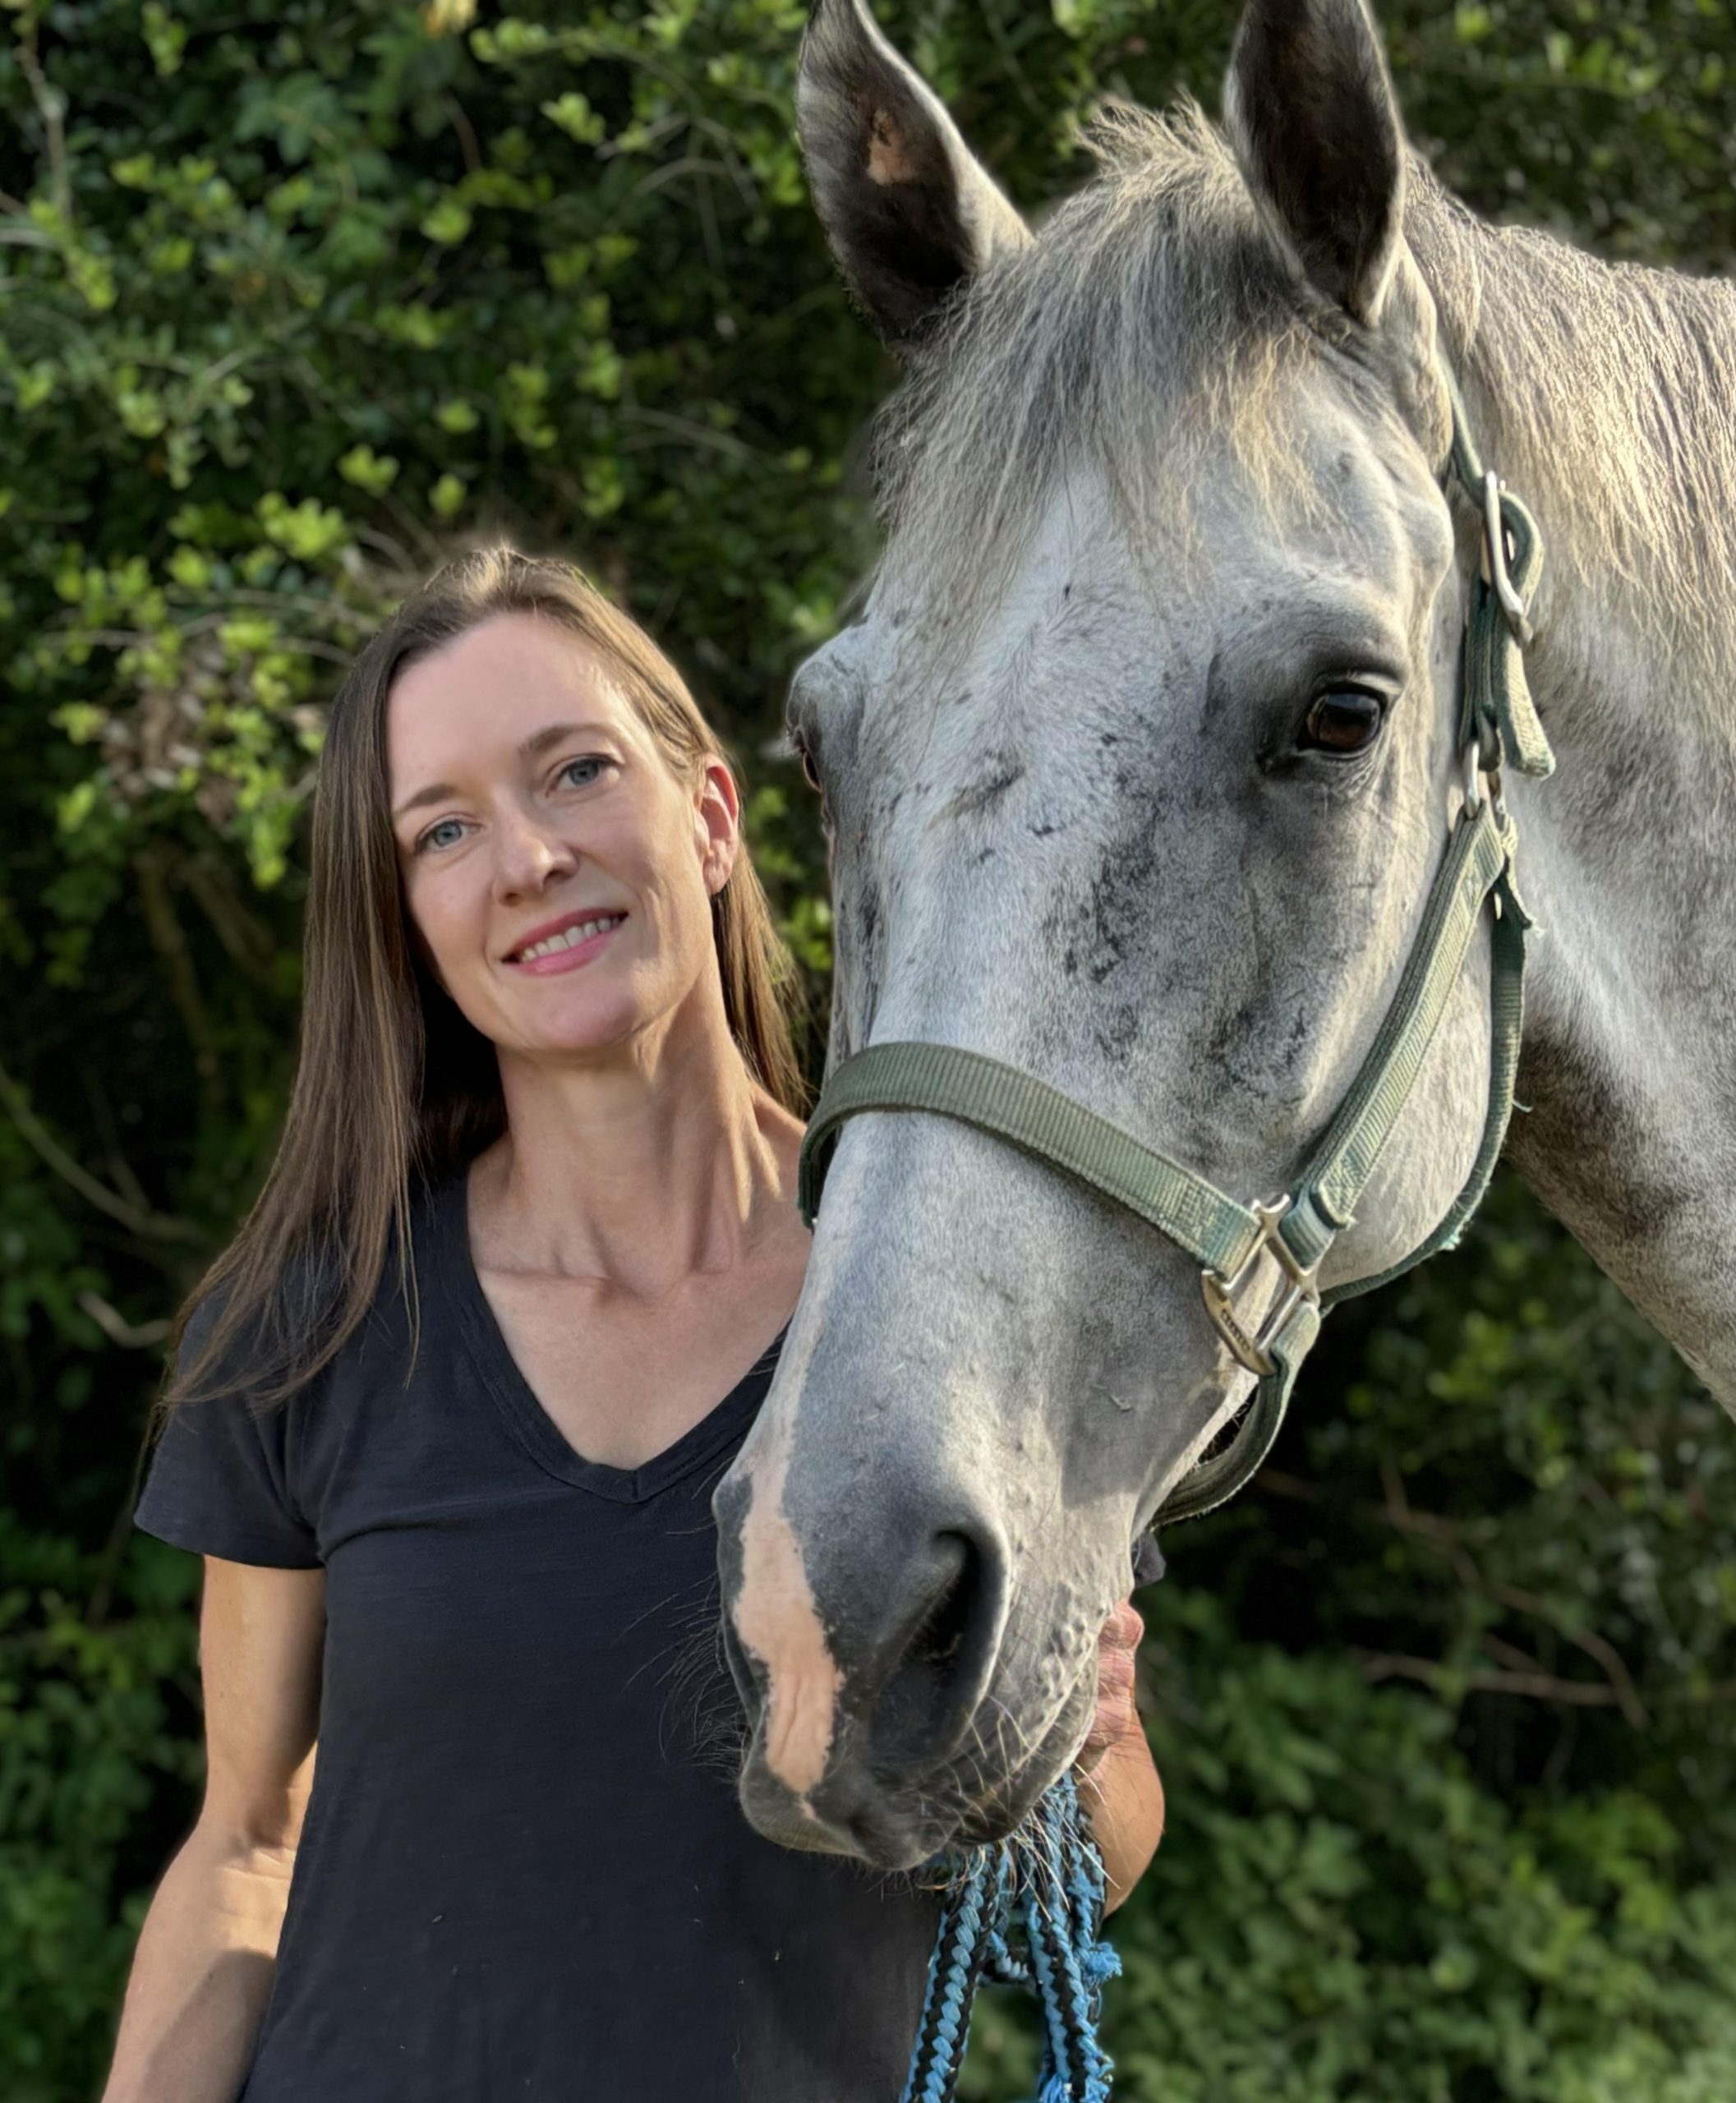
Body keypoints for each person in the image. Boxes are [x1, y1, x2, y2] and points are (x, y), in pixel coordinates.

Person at [104, 548, 1167, 2103]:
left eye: (576, 772)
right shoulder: (318, 1325)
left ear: (713, 818)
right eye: (445, 830)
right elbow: (250, 1843)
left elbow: (1094, 1858)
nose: (525, 857)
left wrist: (1079, 1741)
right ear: (409, 918)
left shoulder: (957, 1297)